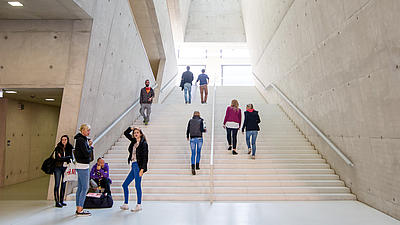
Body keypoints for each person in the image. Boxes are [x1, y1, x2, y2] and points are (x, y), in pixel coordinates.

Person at [120, 127, 149, 212]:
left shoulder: (144, 143)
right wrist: (131, 128)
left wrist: (142, 169)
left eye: (137, 132)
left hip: (138, 166)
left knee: (137, 185)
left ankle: (139, 205)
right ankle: (125, 204)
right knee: (125, 185)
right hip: (133, 165)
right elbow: (125, 133)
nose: (136, 134)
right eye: (134, 133)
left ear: (140, 134)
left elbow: (145, 157)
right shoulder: (133, 142)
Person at [74, 124, 94, 216]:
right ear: (82, 130)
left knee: (80, 188)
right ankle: (80, 209)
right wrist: (90, 147)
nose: (88, 132)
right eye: (87, 130)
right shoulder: (81, 140)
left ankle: (78, 207)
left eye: (89, 130)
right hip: (83, 166)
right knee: (85, 187)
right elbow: (86, 153)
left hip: (80, 165)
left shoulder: (80, 139)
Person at [53, 135, 73, 207]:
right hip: (57, 168)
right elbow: (57, 158)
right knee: (57, 184)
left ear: (67, 140)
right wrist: (66, 158)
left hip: (65, 168)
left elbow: (71, 158)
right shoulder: (58, 148)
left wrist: (64, 158)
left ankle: (61, 200)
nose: (63, 141)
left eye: (65, 139)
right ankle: (57, 201)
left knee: (63, 185)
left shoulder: (70, 147)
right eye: (62, 139)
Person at [186, 111, 206, 175]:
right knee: (198, 152)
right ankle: (197, 166)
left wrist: (187, 136)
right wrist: (204, 130)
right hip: (199, 138)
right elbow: (202, 130)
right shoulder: (201, 121)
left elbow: (188, 129)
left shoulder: (190, 121)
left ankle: (193, 166)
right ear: (199, 115)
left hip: (192, 138)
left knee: (193, 153)